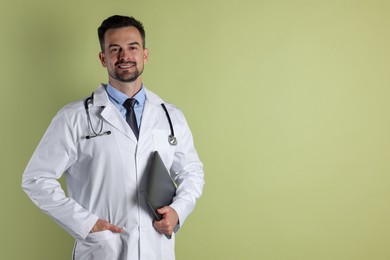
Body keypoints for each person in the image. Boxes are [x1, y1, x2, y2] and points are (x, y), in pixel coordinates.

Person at [22, 15, 204, 260]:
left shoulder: (170, 116)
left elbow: (192, 171)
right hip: (103, 250)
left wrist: (178, 211)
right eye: (115, 49)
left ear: (145, 55)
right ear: (103, 58)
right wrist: (87, 224)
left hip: (156, 248)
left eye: (132, 48)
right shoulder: (74, 117)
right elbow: (36, 178)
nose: (124, 56)